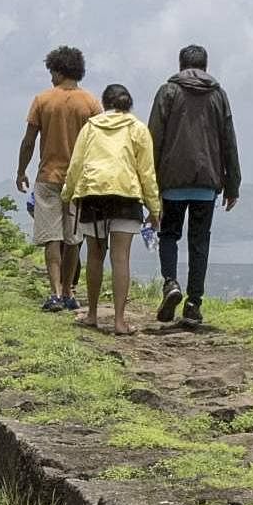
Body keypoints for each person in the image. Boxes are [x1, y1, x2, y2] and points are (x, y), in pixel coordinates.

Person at [146, 44, 242, 328]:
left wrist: (150, 183)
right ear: (206, 66)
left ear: (180, 65)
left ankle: (170, 283)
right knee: (200, 242)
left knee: (169, 235)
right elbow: (229, 140)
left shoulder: (168, 92)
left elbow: (154, 138)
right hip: (207, 182)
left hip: (171, 181)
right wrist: (232, 183)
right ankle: (193, 303)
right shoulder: (218, 95)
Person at [63, 83, 159, 336]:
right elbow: (146, 172)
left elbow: (76, 164)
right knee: (120, 258)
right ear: (129, 105)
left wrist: (68, 194)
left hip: (94, 195)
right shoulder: (138, 128)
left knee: (95, 255)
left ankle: (93, 314)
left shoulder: (90, 128)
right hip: (126, 196)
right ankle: (119, 321)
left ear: (104, 104)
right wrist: (154, 207)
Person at [15, 46, 100, 313]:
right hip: (79, 180)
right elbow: (98, 143)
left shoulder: (42, 100)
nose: (50, 77)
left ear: (59, 70)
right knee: (74, 237)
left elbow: (29, 141)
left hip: (48, 176)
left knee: (52, 238)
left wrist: (21, 171)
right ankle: (68, 291)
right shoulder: (90, 103)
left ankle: (53, 293)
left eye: (52, 71)